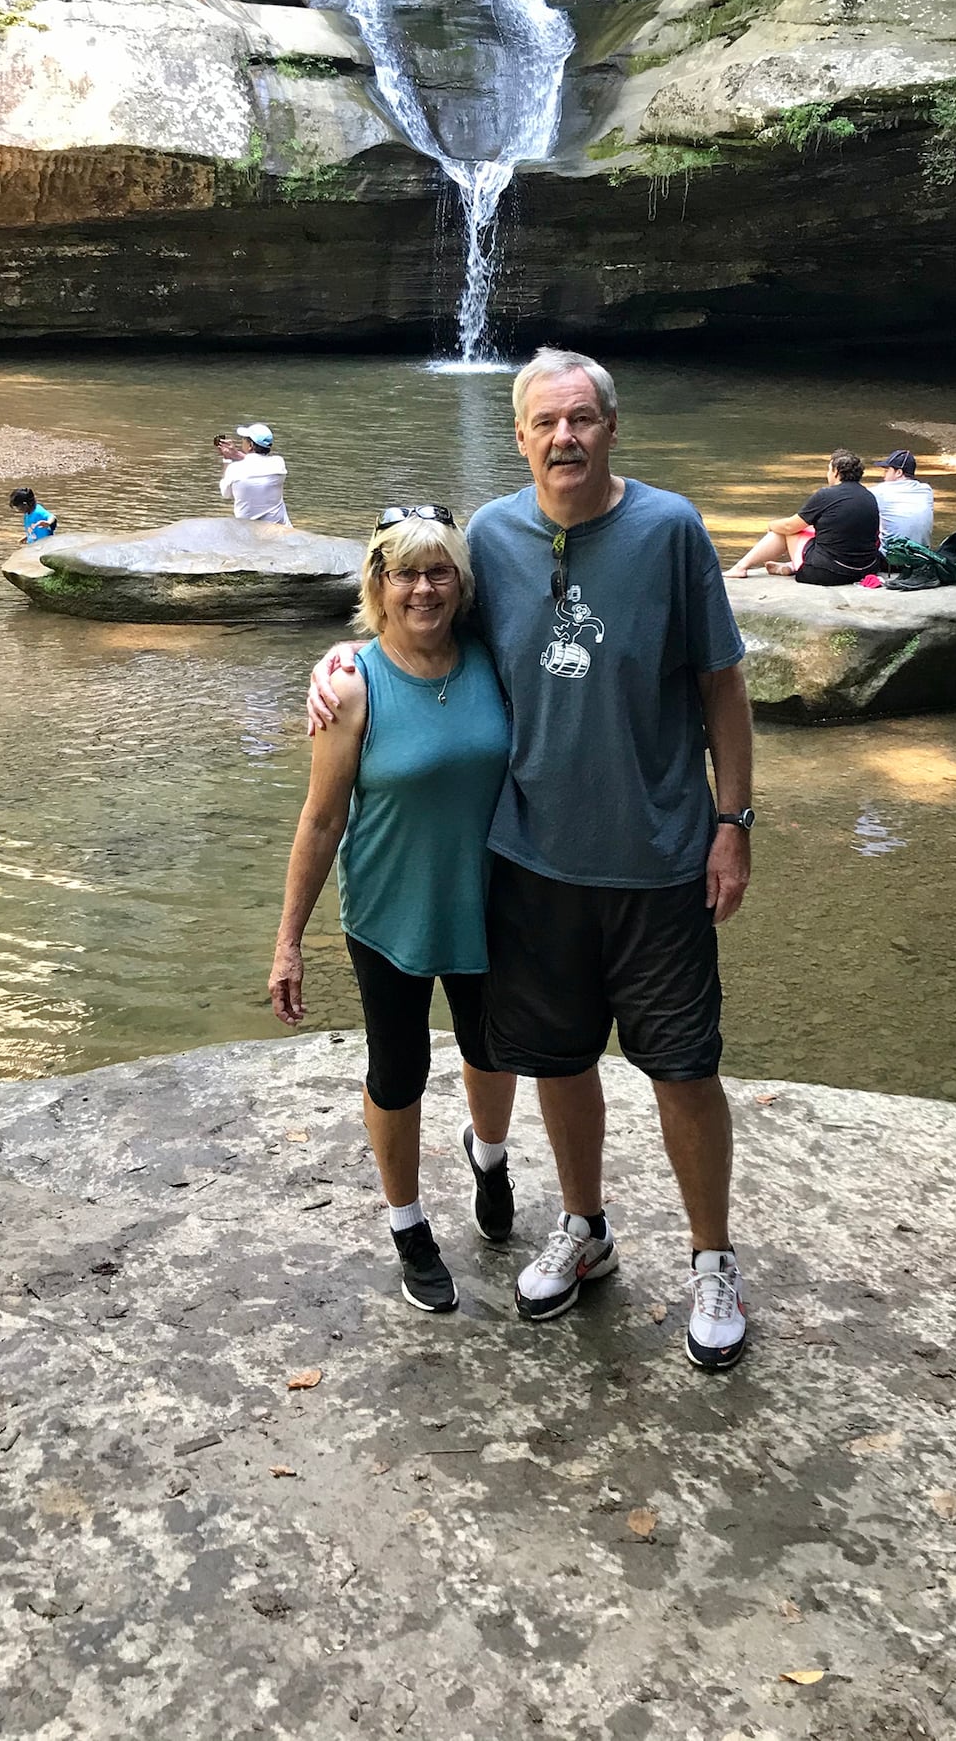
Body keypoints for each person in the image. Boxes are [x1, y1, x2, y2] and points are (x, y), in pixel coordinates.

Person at [310, 349, 756, 1371]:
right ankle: (586, 1228)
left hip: (658, 859)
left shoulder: (672, 529)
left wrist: (732, 821)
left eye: (581, 420)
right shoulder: (495, 539)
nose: (564, 438)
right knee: (558, 1063)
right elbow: (409, 628)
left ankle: (711, 1258)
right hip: (533, 865)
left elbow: (721, 686)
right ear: (518, 438)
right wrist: (330, 667)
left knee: (684, 1069)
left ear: (610, 429)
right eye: (544, 423)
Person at [270, 505, 516, 1314]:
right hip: (388, 908)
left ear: (462, 583)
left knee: (491, 1048)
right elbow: (320, 818)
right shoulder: (349, 684)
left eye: (439, 570)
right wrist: (288, 942)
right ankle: (409, 1225)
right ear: (377, 585)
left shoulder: (495, 659)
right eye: (403, 572)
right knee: (398, 1069)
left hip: (488, 901)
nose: (423, 587)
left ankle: (488, 1155)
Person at [725, 447, 882, 586]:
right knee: (812, 528)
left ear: (836, 471)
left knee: (790, 530)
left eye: (828, 470)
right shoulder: (869, 496)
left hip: (828, 573)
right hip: (865, 569)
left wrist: (772, 524)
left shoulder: (826, 495)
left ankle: (741, 567)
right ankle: (788, 566)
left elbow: (790, 526)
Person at [218, 421, 290, 524]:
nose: (242, 441)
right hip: (278, 527)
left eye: (244, 439)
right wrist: (237, 454)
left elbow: (226, 494)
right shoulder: (279, 463)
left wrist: (227, 459)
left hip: (247, 529)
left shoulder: (235, 469)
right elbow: (258, 463)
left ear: (250, 445)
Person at [871, 449, 935, 548]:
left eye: (887, 470)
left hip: (891, 555)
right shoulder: (926, 490)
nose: (884, 475)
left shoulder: (880, 491)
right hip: (923, 555)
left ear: (899, 472)